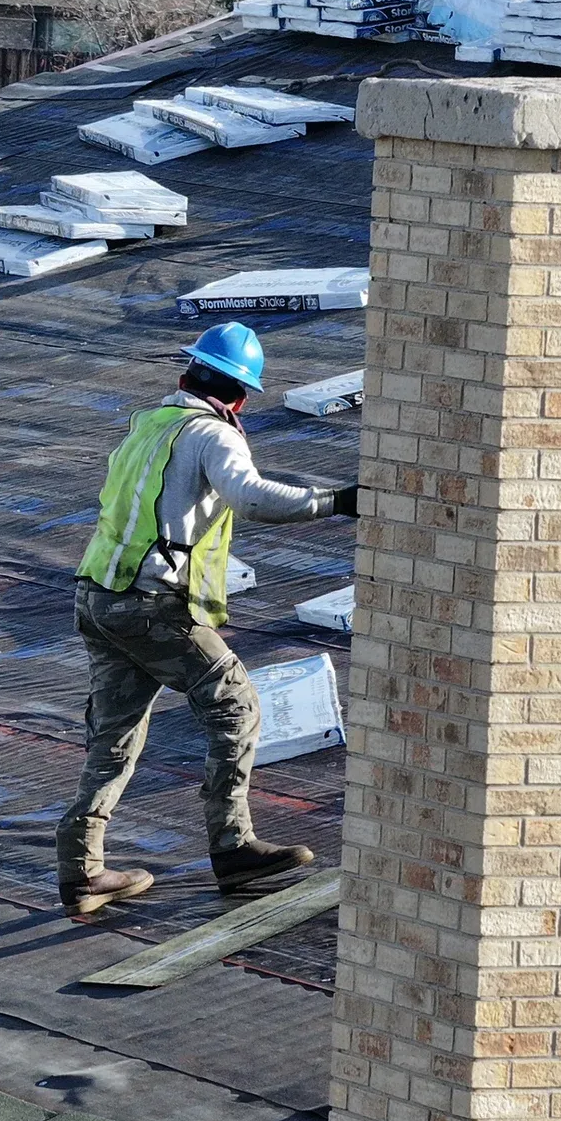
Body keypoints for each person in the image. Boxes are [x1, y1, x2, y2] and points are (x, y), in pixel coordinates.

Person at [57, 322, 359, 914]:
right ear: (240, 397)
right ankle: (233, 848)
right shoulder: (212, 433)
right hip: (150, 608)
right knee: (236, 705)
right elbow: (248, 497)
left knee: (113, 740)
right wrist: (337, 500)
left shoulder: (148, 427)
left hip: (97, 599)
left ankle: (82, 871)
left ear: (184, 375)